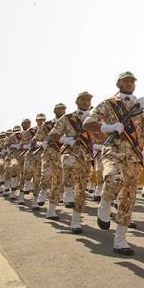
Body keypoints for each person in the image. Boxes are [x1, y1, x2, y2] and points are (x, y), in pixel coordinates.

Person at [83, 71, 144, 256]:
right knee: (112, 179)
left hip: (134, 156)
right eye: (125, 81)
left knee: (128, 198)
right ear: (118, 83)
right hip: (113, 152)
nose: (129, 84)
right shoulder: (108, 104)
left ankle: (120, 240)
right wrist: (108, 127)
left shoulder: (140, 106)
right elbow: (88, 124)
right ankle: (104, 203)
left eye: (131, 81)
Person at [48, 91, 94, 234]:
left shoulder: (95, 119)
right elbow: (53, 134)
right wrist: (65, 139)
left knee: (81, 190)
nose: (86, 102)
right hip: (70, 151)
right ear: (77, 102)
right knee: (69, 166)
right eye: (83, 99)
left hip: (86, 156)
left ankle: (76, 221)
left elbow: (101, 135)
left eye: (88, 100)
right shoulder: (67, 118)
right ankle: (67, 192)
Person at [32, 103, 67, 220]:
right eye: (60, 109)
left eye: (64, 109)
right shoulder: (47, 125)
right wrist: (41, 143)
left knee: (57, 182)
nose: (62, 111)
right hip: (48, 153)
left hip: (61, 154)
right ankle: (42, 193)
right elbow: (34, 140)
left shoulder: (68, 124)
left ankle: (51, 210)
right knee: (45, 175)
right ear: (55, 110)